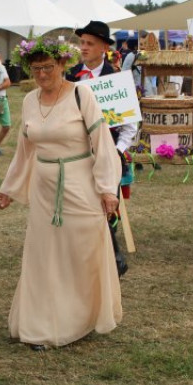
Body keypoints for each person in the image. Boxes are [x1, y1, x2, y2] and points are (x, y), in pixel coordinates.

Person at [0, 37, 122, 349]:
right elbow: (24, 151)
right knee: (44, 254)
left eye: (48, 68)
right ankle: (43, 322)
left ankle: (82, 315)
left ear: (62, 65)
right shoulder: (28, 102)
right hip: (44, 185)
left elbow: (102, 144)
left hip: (80, 183)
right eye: (35, 69)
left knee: (82, 248)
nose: (41, 75)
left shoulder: (82, 94)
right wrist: (9, 188)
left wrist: (107, 189)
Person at [66, 20, 136, 277]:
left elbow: (129, 125)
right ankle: (86, 257)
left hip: (108, 152)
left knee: (107, 204)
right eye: (81, 43)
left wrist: (117, 151)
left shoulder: (116, 79)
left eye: (89, 43)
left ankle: (112, 257)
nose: (83, 48)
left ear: (104, 47)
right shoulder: (69, 76)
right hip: (75, 153)